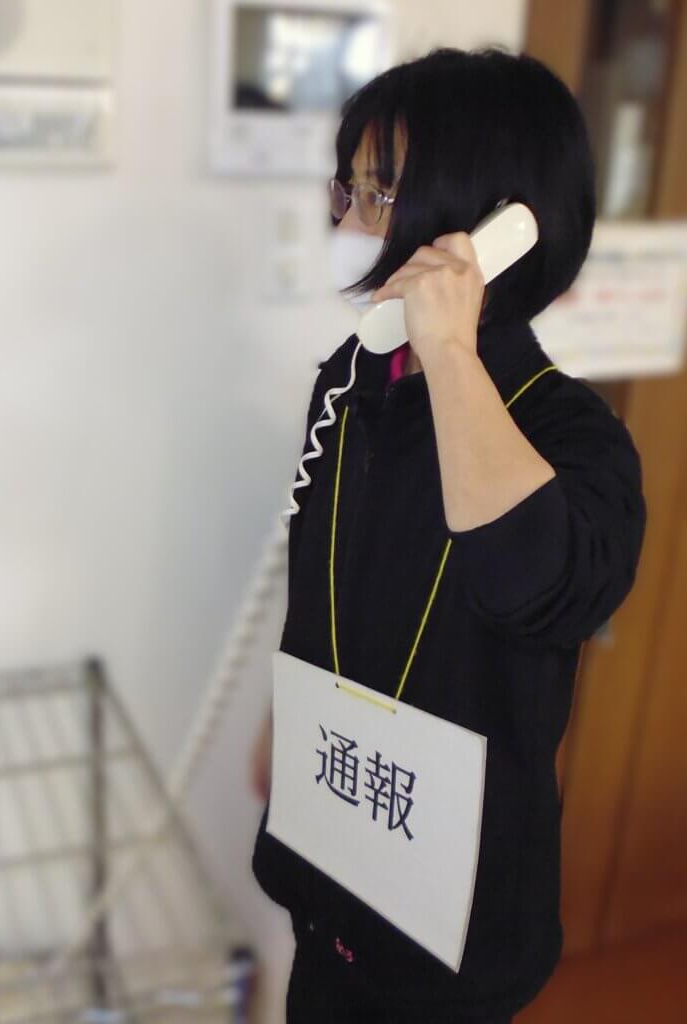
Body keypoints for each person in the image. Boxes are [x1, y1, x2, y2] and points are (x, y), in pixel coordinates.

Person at [249, 47, 647, 1023]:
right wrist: (283, 712)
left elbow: (535, 584)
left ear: (485, 232)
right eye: (347, 188)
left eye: (378, 194)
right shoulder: (352, 383)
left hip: (449, 940)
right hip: (329, 871)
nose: (346, 221)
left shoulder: (572, 435)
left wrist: (450, 352)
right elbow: (323, 586)